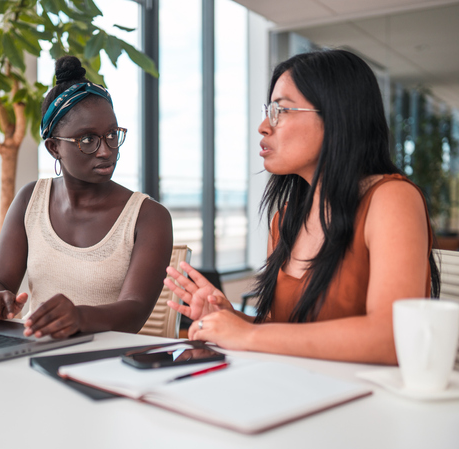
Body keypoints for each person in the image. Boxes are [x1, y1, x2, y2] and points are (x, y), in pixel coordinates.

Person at [164, 49, 439, 364]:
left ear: (336, 115)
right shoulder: (285, 219)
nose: (264, 126)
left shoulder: (391, 199)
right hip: (298, 390)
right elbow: (290, 333)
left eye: (280, 110)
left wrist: (249, 335)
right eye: (268, 110)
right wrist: (233, 320)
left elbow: (392, 338)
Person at [0, 56, 172, 339]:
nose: (106, 150)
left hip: (106, 364)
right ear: (54, 147)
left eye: (111, 135)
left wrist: (78, 316)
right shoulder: (29, 200)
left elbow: (135, 311)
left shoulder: (149, 216)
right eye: (87, 139)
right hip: (34, 354)